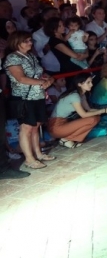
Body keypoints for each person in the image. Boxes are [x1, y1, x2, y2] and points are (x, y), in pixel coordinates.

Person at [4, 31, 54, 170]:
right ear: (17, 42)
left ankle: (38, 153)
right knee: (26, 127)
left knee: (36, 126)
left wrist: (49, 80)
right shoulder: (12, 58)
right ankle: (29, 159)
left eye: (30, 40)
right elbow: (21, 78)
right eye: (26, 41)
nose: (30, 43)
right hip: (24, 97)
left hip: (37, 95)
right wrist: (41, 82)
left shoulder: (31, 56)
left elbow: (41, 73)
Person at [48, 73, 107, 148]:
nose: (91, 84)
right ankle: (66, 139)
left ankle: (67, 139)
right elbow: (83, 114)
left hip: (64, 123)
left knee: (96, 117)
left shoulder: (81, 95)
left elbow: (89, 110)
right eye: (88, 82)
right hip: (56, 126)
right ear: (79, 84)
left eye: (91, 82)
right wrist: (104, 110)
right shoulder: (74, 96)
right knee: (92, 119)